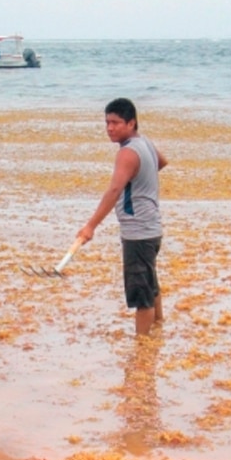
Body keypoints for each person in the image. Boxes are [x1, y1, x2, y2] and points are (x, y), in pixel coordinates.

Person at [77, 98, 168, 336]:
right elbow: (161, 162)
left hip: (138, 233)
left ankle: (142, 347)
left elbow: (114, 190)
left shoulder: (127, 153)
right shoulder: (144, 142)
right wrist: (139, 181)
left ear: (131, 123)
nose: (109, 128)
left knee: (142, 295)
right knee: (151, 285)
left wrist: (90, 226)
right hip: (152, 229)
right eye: (107, 122)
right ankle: (158, 330)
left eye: (116, 123)